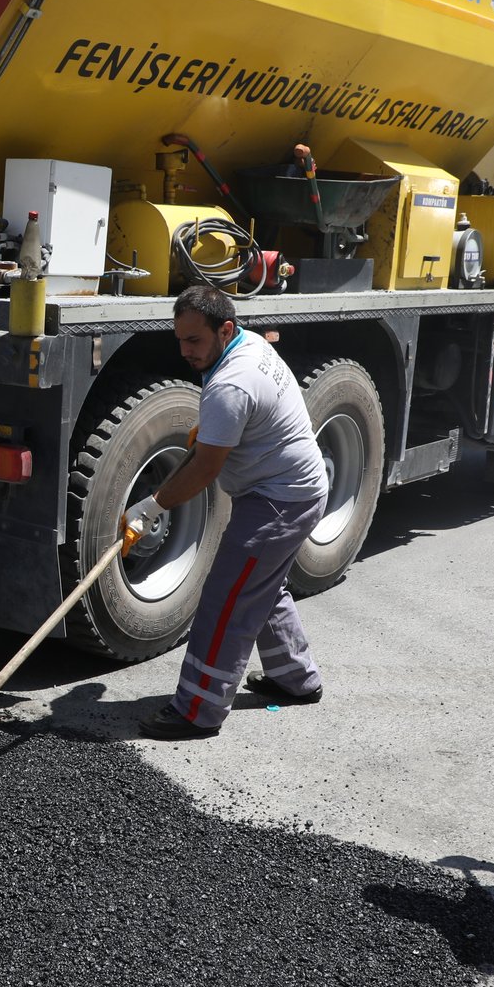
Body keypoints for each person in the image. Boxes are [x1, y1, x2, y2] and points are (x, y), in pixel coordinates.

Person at [127, 285, 331, 740]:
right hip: (298, 487)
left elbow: (204, 469)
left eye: (194, 341)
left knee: (227, 599)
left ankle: (197, 710)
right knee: (260, 585)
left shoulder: (231, 385)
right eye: (179, 340)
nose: (185, 352)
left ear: (225, 329)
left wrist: (152, 505)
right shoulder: (249, 345)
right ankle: (295, 679)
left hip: (280, 499)